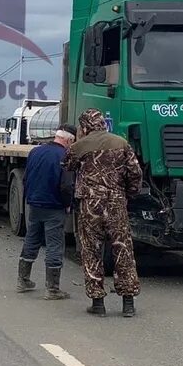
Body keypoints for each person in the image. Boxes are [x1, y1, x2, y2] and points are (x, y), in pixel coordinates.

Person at [63, 108, 143, 317]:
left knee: (91, 250)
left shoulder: (79, 146)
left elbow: (68, 166)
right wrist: (129, 194)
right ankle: (128, 303)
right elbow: (135, 173)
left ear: (84, 126)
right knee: (123, 249)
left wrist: (80, 141)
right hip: (116, 202)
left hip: (90, 205)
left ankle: (98, 303)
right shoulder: (121, 143)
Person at [16, 125, 76, 300]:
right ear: (69, 140)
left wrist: (30, 197)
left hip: (35, 204)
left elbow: (26, 178)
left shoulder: (35, 152)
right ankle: (52, 289)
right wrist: (68, 204)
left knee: (32, 240)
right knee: (54, 245)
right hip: (54, 206)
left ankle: (23, 280)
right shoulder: (65, 156)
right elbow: (66, 186)